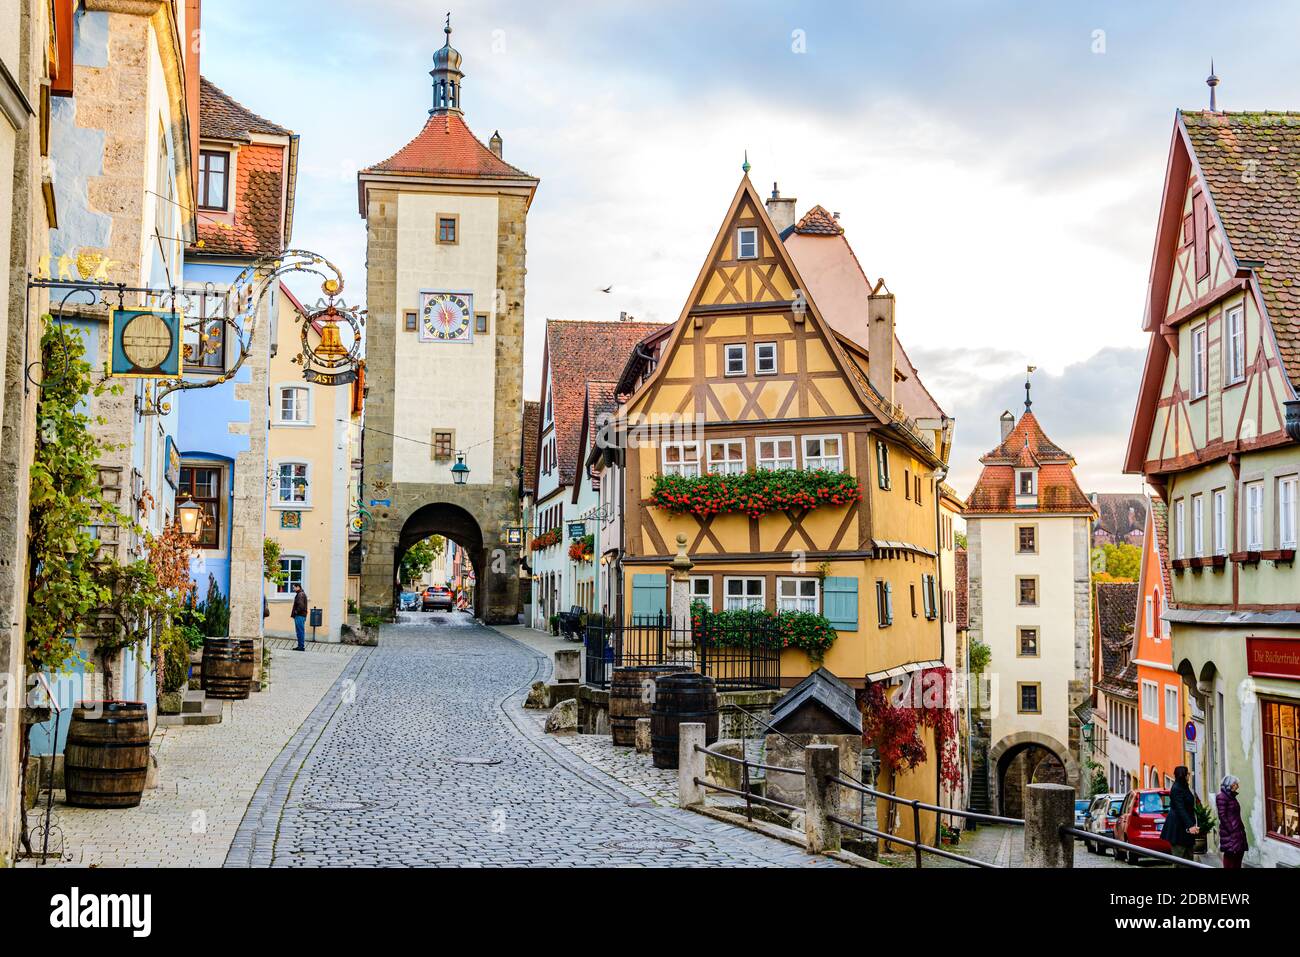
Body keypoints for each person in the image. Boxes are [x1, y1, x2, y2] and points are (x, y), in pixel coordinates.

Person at [1160, 765, 1199, 860]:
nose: (1189, 776)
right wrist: (1190, 826)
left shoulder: (1184, 786)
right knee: (1180, 859)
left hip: (1185, 830)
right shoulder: (1177, 788)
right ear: (1184, 775)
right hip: (1178, 830)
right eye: (1188, 774)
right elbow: (1180, 809)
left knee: (1189, 859)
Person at [1216, 774, 1247, 869]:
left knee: (1238, 855)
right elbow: (1222, 815)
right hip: (1231, 833)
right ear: (1230, 785)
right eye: (1235, 784)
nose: (1237, 786)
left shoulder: (1231, 797)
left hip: (1238, 832)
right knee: (1230, 857)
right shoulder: (1222, 797)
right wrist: (1232, 830)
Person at [291, 583, 308, 651]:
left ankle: (301, 646)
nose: (293, 589)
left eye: (294, 587)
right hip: (301, 615)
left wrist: (296, 612)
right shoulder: (301, 594)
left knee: (300, 631)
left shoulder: (300, 594)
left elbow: (301, 606)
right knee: (300, 631)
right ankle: (300, 646)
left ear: (298, 587)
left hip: (300, 615)